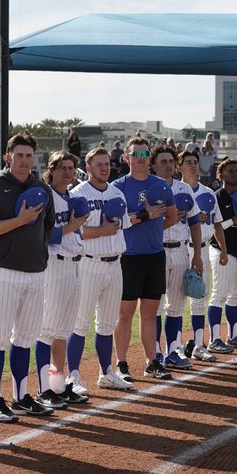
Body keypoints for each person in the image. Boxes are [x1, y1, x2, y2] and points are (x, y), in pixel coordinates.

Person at [0, 133, 56, 423]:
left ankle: (21, 396)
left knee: (25, 338)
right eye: (19, 155)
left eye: (29, 155)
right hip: (2, 272)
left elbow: (48, 226)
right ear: (8, 157)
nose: (24, 160)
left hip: (36, 272)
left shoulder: (41, 187)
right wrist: (19, 222)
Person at [68, 147, 133, 392]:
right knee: (80, 322)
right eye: (99, 164)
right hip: (89, 264)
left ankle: (106, 373)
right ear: (88, 168)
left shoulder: (117, 193)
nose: (104, 168)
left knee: (107, 323)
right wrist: (102, 231)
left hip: (115, 263)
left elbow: (123, 227)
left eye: (107, 164)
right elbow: (72, 231)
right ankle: (73, 377)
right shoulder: (77, 194)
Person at [113, 136, 178, 381]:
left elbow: (171, 217)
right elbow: (116, 222)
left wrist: (151, 230)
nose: (141, 159)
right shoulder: (118, 186)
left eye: (144, 154)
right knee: (125, 314)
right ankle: (121, 363)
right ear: (127, 157)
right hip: (129, 257)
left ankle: (152, 361)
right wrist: (145, 216)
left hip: (154, 255)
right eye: (136, 154)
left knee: (150, 314)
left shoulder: (161, 184)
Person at [33, 151, 90, 410]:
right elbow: (43, 234)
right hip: (54, 265)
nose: (67, 172)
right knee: (47, 330)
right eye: (62, 167)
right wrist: (72, 225)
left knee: (62, 330)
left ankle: (58, 385)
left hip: (74, 266)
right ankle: (44, 388)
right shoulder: (46, 195)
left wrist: (75, 227)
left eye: (71, 168)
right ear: (51, 170)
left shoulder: (72, 196)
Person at [153, 146, 203, 370]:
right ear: (153, 165)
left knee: (176, 305)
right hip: (157, 251)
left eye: (171, 161)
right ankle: (155, 354)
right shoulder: (150, 187)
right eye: (162, 161)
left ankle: (172, 351)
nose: (168, 165)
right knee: (156, 307)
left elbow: (194, 222)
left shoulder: (184, 188)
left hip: (182, 251)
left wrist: (198, 255)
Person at [180, 149, 226, 361]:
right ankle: (175, 346)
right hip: (180, 248)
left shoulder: (208, 192)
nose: (193, 165)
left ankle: (199, 344)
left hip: (205, 248)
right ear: (179, 166)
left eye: (195, 162)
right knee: (175, 302)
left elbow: (217, 223)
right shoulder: (174, 191)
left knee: (200, 298)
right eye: (188, 162)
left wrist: (223, 249)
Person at [206, 157, 237, 351]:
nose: (235, 173)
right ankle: (214, 339)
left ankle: (233, 335)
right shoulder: (217, 197)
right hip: (222, 251)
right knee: (219, 294)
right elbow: (213, 227)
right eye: (230, 170)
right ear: (221, 175)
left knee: (236, 296)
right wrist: (231, 221)